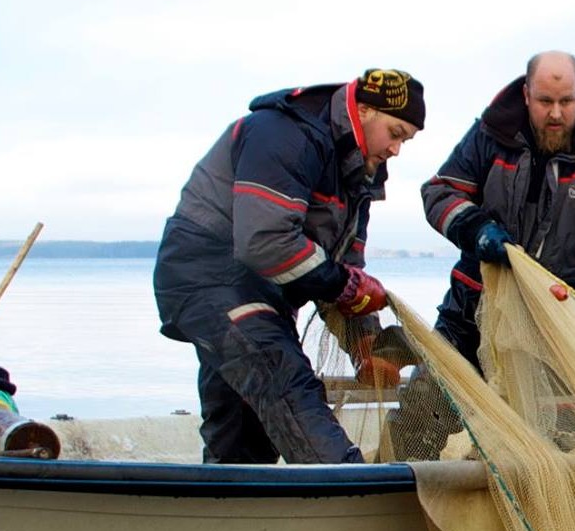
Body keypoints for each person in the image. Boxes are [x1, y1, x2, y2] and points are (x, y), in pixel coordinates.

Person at [153, 69, 425, 464]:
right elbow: (265, 242)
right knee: (285, 381)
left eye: (407, 140)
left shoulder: (357, 175)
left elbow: (348, 269)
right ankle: (349, 490)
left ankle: (226, 513)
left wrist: (365, 347)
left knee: (243, 430)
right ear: (364, 110)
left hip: (262, 295)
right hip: (209, 277)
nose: (397, 149)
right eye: (396, 132)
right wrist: (346, 287)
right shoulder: (284, 134)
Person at [421, 50, 575, 366]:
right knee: (428, 402)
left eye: (567, 102)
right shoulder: (489, 135)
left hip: (560, 322)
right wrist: (475, 229)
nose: (556, 113)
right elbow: (440, 192)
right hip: (471, 310)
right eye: (546, 101)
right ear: (527, 95)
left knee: (553, 415)